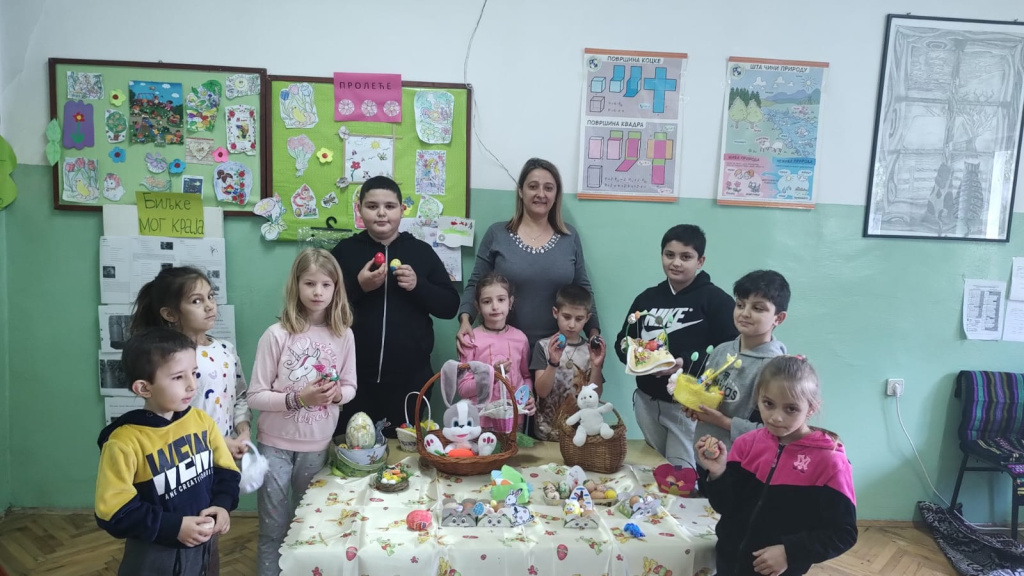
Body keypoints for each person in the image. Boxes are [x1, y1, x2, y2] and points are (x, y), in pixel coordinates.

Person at [247, 248, 357, 576]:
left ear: (336, 288)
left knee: (308, 527)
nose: (318, 292)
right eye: (309, 283)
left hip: (317, 447)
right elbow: (255, 396)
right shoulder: (276, 334)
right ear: (296, 285)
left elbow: (350, 386)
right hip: (274, 445)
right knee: (273, 529)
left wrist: (338, 395)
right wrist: (299, 399)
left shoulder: (343, 334)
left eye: (326, 284)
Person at [95, 328, 239, 576]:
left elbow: (226, 470)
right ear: (144, 388)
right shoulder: (124, 442)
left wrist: (222, 505)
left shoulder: (201, 421)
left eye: (194, 373)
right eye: (178, 377)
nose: (192, 385)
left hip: (204, 545)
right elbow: (113, 512)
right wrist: (173, 527)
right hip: (154, 553)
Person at [697, 356, 857, 576]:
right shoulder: (746, 444)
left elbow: (843, 533)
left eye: (791, 409)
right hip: (728, 561)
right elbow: (726, 506)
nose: (776, 417)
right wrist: (718, 473)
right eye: (768, 404)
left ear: (811, 408)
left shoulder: (830, 461)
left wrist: (790, 552)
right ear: (758, 398)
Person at [331, 176, 459, 436]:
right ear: (359, 209)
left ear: (402, 210)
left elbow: (449, 306)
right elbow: (323, 306)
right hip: (353, 378)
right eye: (372, 206)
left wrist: (418, 285)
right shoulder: (345, 251)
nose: (381, 213)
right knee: (352, 446)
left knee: (406, 450)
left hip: (410, 379)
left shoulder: (421, 252)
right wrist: (359, 287)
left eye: (389, 206)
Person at [614, 224, 738, 468]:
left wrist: (684, 363)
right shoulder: (647, 298)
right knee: (659, 468)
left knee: (682, 472)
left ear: (700, 261)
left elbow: (730, 352)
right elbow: (624, 341)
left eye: (686, 257)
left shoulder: (716, 300)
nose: (676, 263)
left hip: (687, 406)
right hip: (646, 401)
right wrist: (636, 356)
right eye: (669, 255)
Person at [457, 158, 600, 355]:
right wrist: (465, 320)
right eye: (533, 186)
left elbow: (583, 288)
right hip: (504, 350)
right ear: (520, 191)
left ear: (556, 194)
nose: (541, 194)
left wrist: (593, 333)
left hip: (558, 351)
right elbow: (476, 283)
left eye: (548, 188)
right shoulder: (497, 234)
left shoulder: (569, 236)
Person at [129, 266, 250, 459]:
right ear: (170, 314)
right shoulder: (168, 358)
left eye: (210, 296)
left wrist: (243, 430)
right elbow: (167, 414)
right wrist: (217, 441)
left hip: (228, 455)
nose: (209, 306)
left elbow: (240, 396)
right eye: (196, 301)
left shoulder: (226, 349)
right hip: (188, 458)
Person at [690, 270, 790, 450]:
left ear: (779, 318)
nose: (745, 313)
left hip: (743, 459)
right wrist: (695, 406)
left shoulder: (776, 368)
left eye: (757, 308)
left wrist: (723, 422)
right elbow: (706, 393)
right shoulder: (721, 351)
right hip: (703, 450)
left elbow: (774, 433)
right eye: (740, 305)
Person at [456, 273, 535, 432]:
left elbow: (526, 376)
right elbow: (463, 389)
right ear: (478, 306)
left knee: (514, 449)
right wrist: (491, 375)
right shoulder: (470, 340)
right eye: (487, 301)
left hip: (514, 420)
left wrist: (529, 396)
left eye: (501, 300)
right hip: (481, 423)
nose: (495, 306)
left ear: (510, 302)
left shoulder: (520, 339)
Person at [530, 284, 606, 441]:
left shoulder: (591, 351)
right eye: (566, 317)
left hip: (579, 435)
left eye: (579, 319)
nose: (572, 325)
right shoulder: (543, 346)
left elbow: (596, 396)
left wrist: (596, 366)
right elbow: (542, 392)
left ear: (587, 318)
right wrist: (553, 362)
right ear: (555, 313)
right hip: (545, 433)